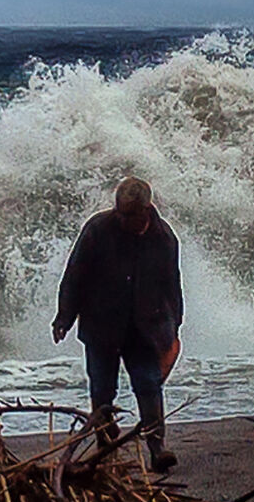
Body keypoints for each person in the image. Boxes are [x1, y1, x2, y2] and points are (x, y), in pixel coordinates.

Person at [51, 175, 183, 471]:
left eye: (127, 215)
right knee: (102, 390)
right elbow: (74, 276)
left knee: (148, 385)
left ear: (145, 211)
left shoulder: (164, 238)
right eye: (119, 212)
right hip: (102, 327)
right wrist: (64, 317)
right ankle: (105, 445)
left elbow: (172, 284)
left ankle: (157, 447)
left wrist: (174, 327)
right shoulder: (98, 230)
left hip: (144, 327)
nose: (121, 219)